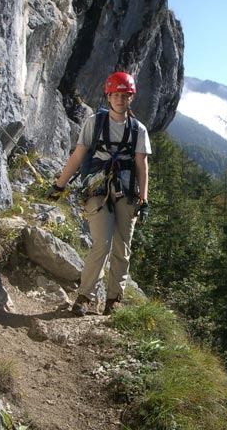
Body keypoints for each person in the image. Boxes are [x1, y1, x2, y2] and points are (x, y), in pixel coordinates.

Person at [47, 71, 151, 316]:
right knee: (101, 244)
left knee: (122, 249)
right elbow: (78, 155)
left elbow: (141, 165)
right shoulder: (94, 123)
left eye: (124, 96)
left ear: (131, 98)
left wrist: (144, 200)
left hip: (127, 192)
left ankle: (114, 300)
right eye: (116, 95)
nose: (120, 100)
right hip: (98, 190)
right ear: (109, 96)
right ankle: (85, 296)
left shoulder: (138, 130)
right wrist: (59, 185)